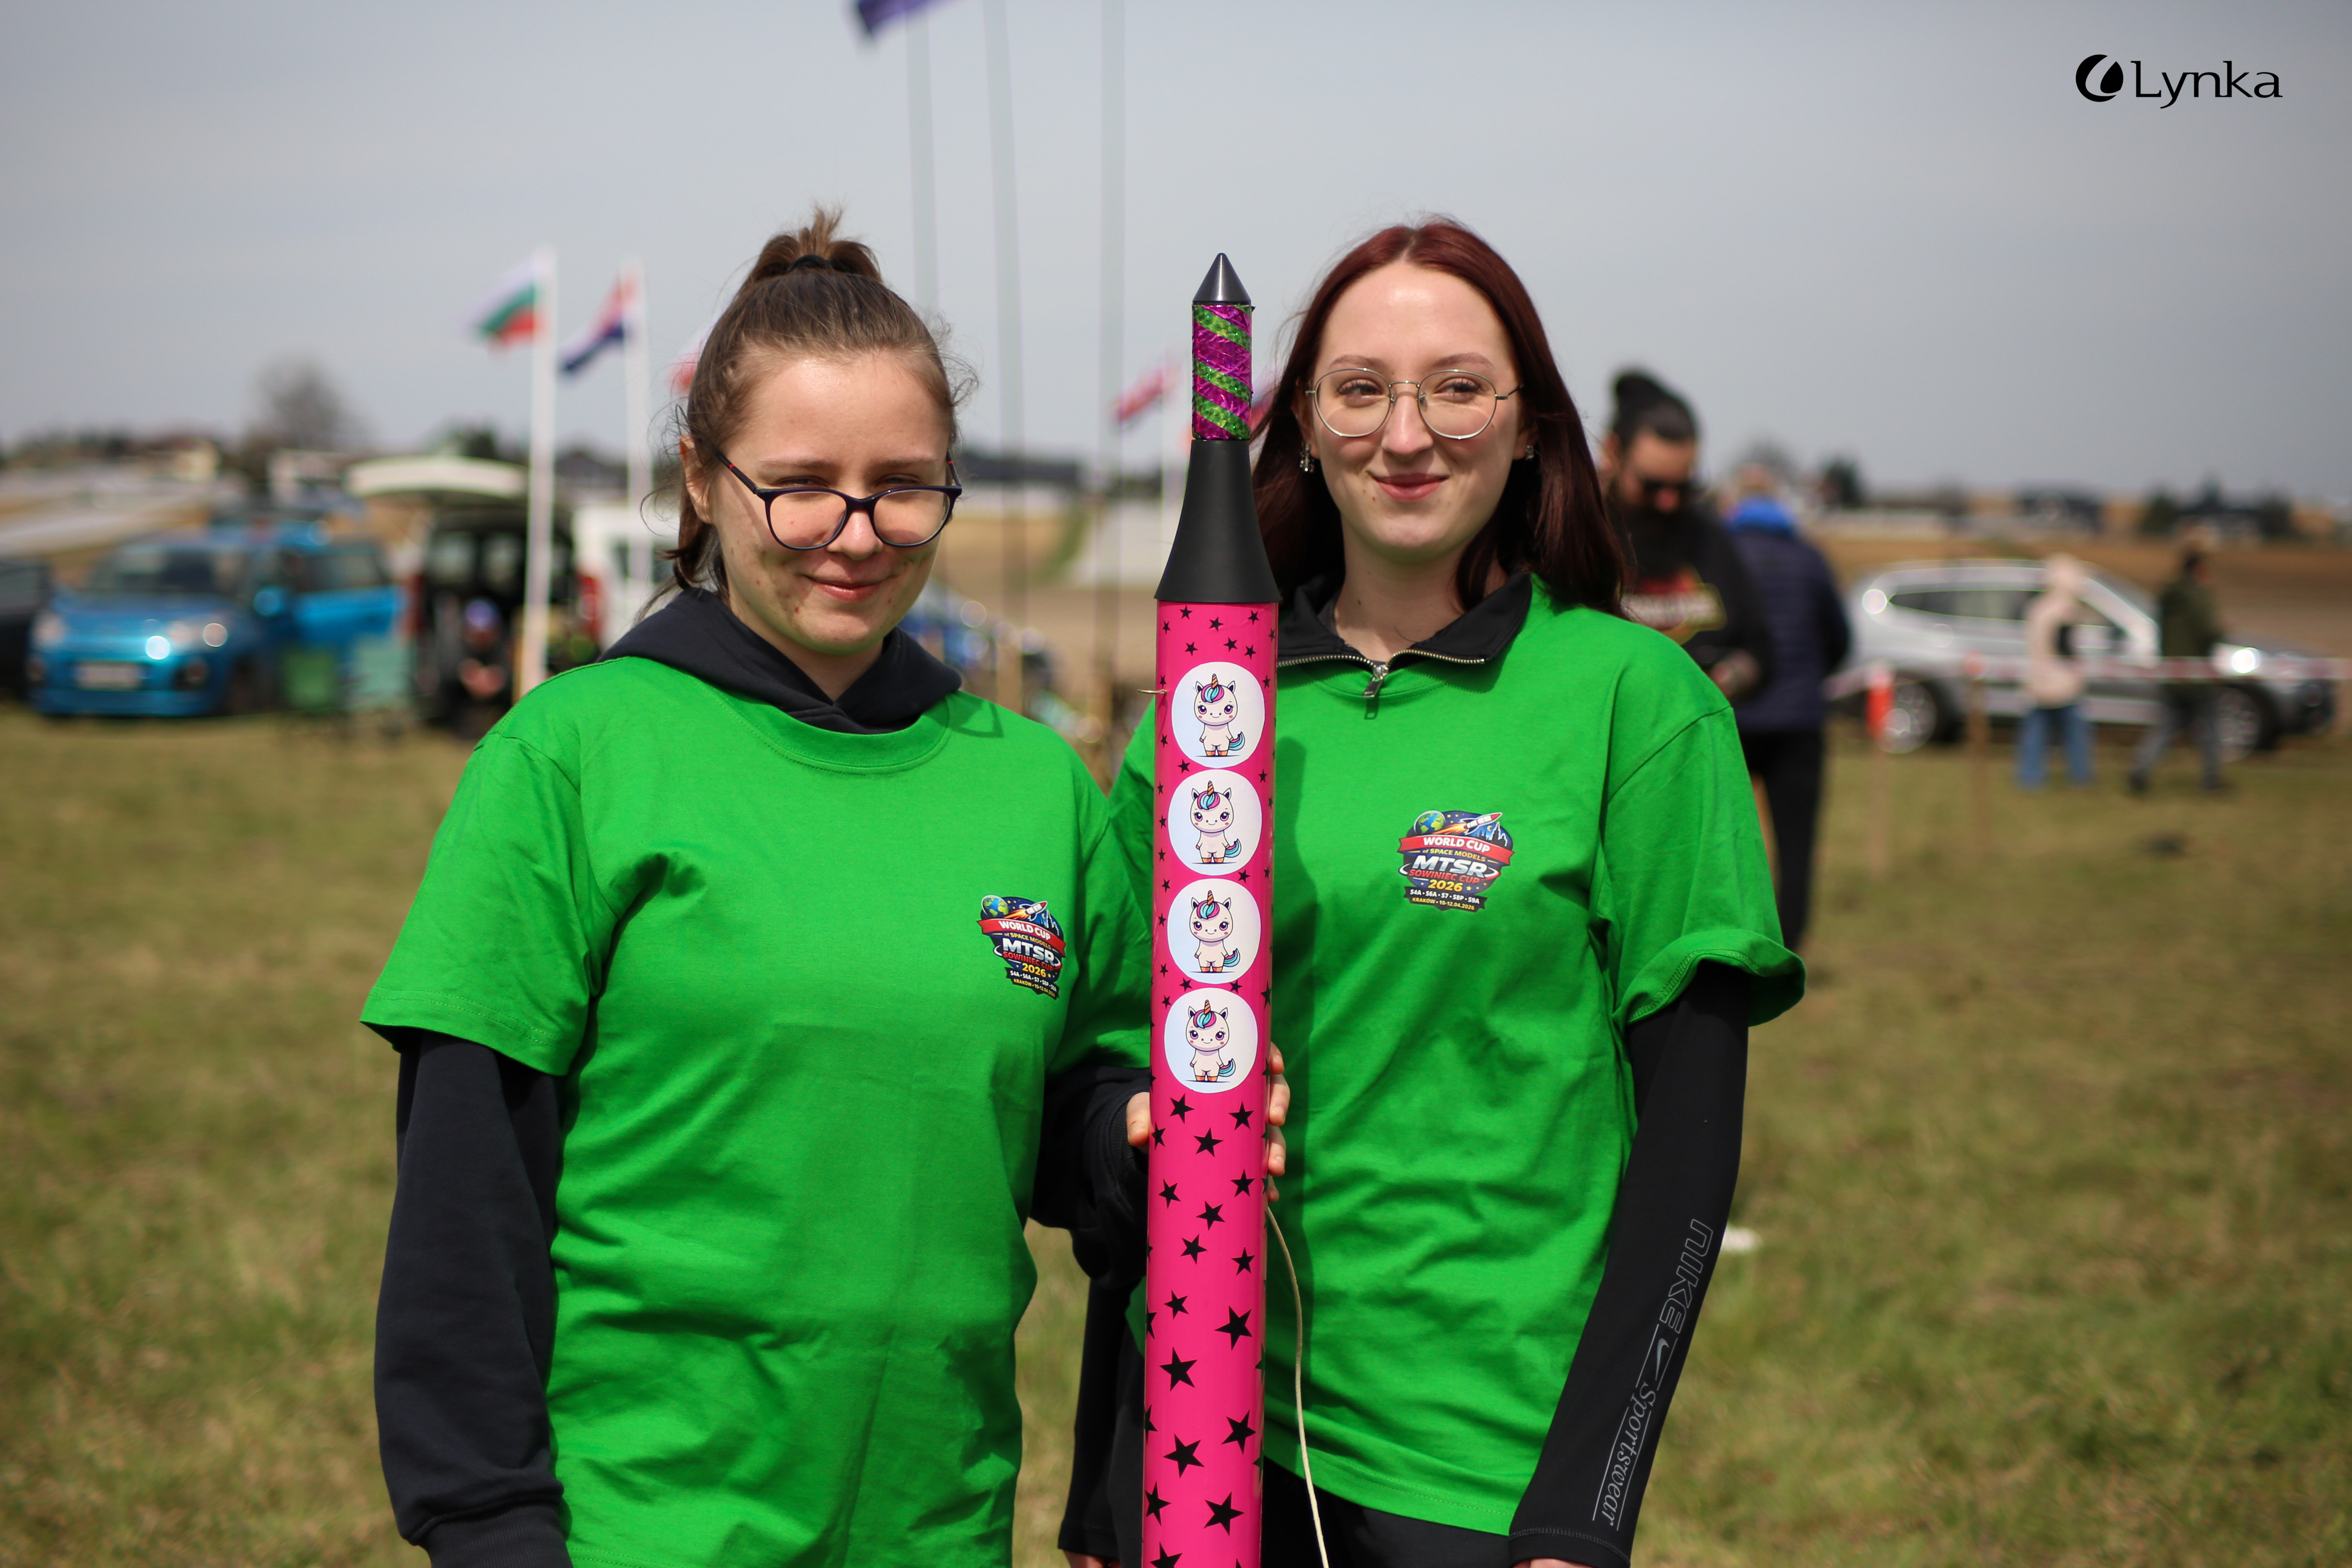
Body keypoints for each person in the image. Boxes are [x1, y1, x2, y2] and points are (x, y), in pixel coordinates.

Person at [365, 211, 1163, 1568]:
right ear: (699, 478)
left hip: (938, 1529)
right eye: (800, 484)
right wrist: (491, 1524)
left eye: (905, 486)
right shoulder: (571, 755)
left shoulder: (1035, 787)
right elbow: (468, 1186)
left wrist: (1143, 1139)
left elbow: (1074, 1127)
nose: (855, 533)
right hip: (640, 1526)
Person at [1061, 219, 1802, 1568]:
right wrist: (1097, 1492)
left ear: (1529, 430)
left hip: (1477, 1473)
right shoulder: (1205, 709)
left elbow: (1689, 1159)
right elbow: (1119, 1072)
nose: (1408, 434)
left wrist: (1588, 1508)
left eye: (1460, 388)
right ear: (1297, 428)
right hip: (1199, 1443)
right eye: (1361, 390)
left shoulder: (1639, 708)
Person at [1722, 468, 1851, 949]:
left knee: (1725, 835)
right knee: (1797, 841)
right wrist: (1810, 678)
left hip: (1733, 716)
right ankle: (1789, 938)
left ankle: (1730, 929)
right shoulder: (1809, 558)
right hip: (1799, 720)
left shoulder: (1723, 558)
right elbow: (1840, 637)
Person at [1598, 371, 1775, 706]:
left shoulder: (1711, 541)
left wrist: (1730, 678)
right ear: (1612, 453)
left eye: (1683, 487)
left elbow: (1760, 648)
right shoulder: (1572, 541)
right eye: (1652, 486)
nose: (1668, 502)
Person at [2129, 546, 2227, 794]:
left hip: (2172, 672)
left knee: (2165, 729)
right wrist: (2223, 631)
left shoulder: (2168, 596)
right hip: (2197, 675)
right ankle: (2212, 780)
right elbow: (2208, 632)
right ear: (2199, 568)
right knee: (2210, 729)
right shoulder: (2199, 596)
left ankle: (2140, 770)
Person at [2017, 553, 2095, 789]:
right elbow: (2066, 646)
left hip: (2038, 678)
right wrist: (2077, 667)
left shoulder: (2037, 608)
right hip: (2061, 680)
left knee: (2035, 732)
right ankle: (2080, 775)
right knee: (2076, 732)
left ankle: (2030, 777)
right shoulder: (2066, 609)